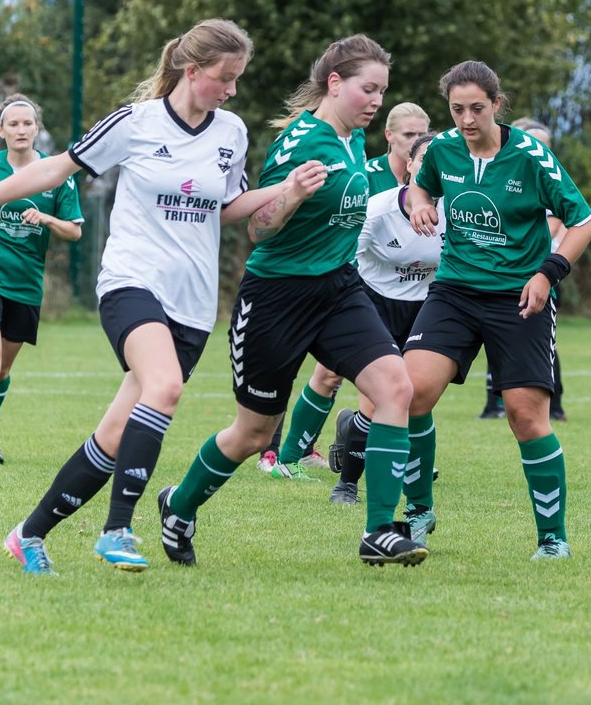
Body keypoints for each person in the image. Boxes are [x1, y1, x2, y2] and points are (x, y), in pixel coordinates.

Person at [0, 18, 322, 576]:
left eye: (238, 78)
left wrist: (286, 191)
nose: (233, 89)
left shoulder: (230, 133)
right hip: (131, 282)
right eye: (225, 77)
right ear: (193, 71)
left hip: (193, 304)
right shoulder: (135, 123)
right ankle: (118, 528)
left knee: (116, 432)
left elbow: (230, 207)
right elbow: (54, 168)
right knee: (163, 388)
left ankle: (29, 533)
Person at [156, 34, 429, 568]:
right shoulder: (304, 142)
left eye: (382, 92)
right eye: (367, 90)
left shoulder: (351, 140)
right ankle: (179, 505)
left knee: (397, 387)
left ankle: (379, 531)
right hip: (277, 296)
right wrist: (292, 195)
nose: (376, 101)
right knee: (253, 432)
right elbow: (258, 229)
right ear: (334, 83)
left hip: (339, 289)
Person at [405, 61, 591, 560]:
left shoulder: (531, 157)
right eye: (456, 109)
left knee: (525, 416)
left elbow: (584, 221)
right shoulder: (442, 149)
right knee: (410, 395)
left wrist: (546, 274)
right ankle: (419, 511)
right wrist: (418, 203)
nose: (466, 120)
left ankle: (552, 539)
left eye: (476, 108)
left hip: (520, 295)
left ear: (496, 103)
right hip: (454, 291)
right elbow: (420, 186)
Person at [261, 101, 432, 478]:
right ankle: (289, 454)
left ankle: (380, 455)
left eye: (421, 136)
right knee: (329, 373)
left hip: (410, 297)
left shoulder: (431, 181)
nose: (414, 143)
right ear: (389, 137)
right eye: (407, 135)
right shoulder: (367, 175)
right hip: (355, 287)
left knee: (398, 382)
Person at [0, 93, 84, 464]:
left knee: (3, 369)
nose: (21, 129)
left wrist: (47, 219)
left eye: (28, 123)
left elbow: (74, 232)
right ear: (1, 130)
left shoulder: (58, 173)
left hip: (26, 283)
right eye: (14, 123)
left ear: (37, 129)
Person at [325, 133, 444, 517]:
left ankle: (402, 470)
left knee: (412, 399)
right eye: (424, 159)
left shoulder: (457, 210)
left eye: (441, 160)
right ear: (408, 165)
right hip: (373, 303)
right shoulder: (377, 211)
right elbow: (343, 259)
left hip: (426, 309)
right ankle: (346, 483)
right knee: (378, 402)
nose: (431, 167)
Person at [478, 116, 570, 422]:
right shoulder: (502, 174)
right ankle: (494, 403)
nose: (540, 149)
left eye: (545, 144)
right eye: (534, 142)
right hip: (501, 273)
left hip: (541, 274)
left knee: (539, 343)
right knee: (493, 336)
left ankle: (554, 403)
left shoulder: (552, 178)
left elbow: (557, 223)